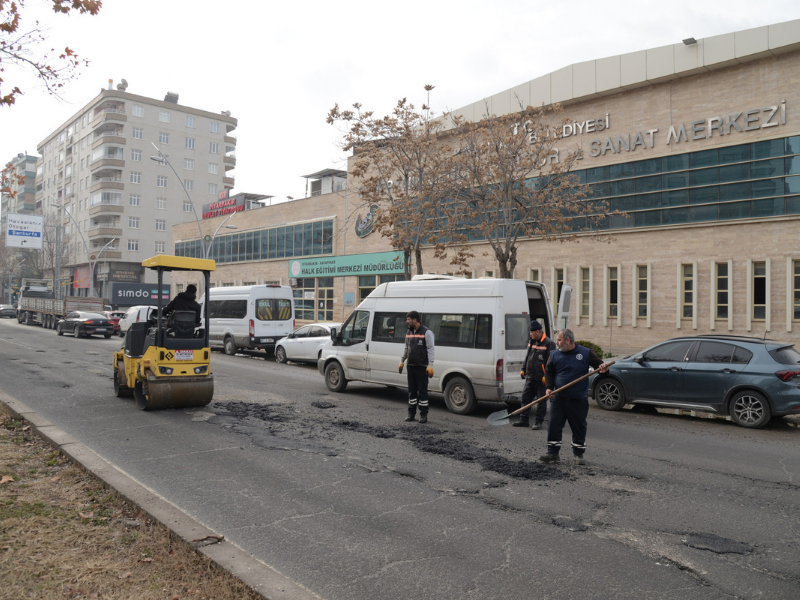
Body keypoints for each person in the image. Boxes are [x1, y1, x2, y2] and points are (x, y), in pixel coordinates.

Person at [539, 329, 608, 465]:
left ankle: (578, 454)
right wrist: (548, 388)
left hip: (578, 399)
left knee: (579, 427)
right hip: (558, 398)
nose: (556, 343)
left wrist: (604, 370)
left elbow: (601, 368)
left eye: (559, 340)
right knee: (554, 425)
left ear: (567, 340)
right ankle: (553, 454)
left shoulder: (586, 353)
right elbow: (549, 372)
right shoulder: (554, 355)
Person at [514, 320, 556, 429]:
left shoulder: (549, 343)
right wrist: (523, 368)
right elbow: (527, 356)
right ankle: (523, 419)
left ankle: (538, 422)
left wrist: (546, 377)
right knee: (525, 398)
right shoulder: (532, 341)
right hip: (530, 376)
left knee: (541, 401)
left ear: (538, 331)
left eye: (532, 332)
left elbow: (550, 363)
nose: (530, 334)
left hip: (541, 379)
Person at [399, 310, 435, 423]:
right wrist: (402, 361)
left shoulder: (427, 332)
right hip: (411, 366)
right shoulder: (409, 332)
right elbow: (406, 347)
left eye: (408, 319)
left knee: (422, 391)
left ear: (415, 320)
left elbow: (430, 349)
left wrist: (430, 365)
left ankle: (423, 415)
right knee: (411, 391)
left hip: (422, 367)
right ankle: (411, 414)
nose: (407, 321)